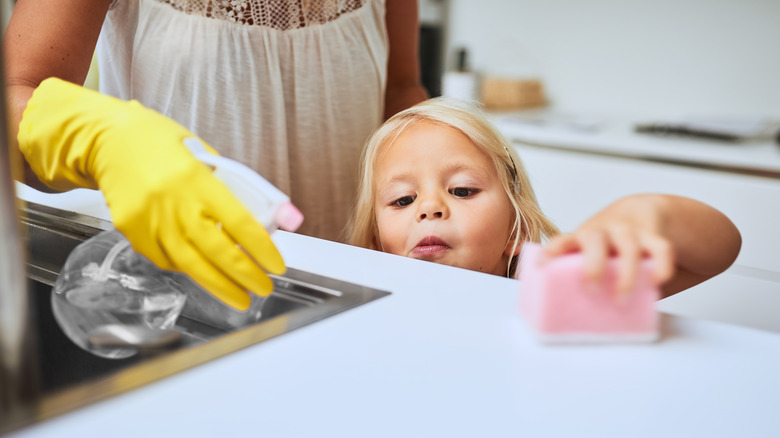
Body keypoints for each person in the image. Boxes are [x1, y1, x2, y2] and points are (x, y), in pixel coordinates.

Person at [4, 0, 428, 309]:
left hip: (357, 299)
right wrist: (96, 137)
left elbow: (401, 88)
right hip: (173, 302)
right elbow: (14, 93)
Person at [348, 98, 742, 298]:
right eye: (402, 200)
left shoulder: (548, 286)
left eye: (462, 190)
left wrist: (645, 213)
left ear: (514, 231)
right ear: (375, 243)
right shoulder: (364, 299)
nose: (429, 207)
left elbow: (721, 249)